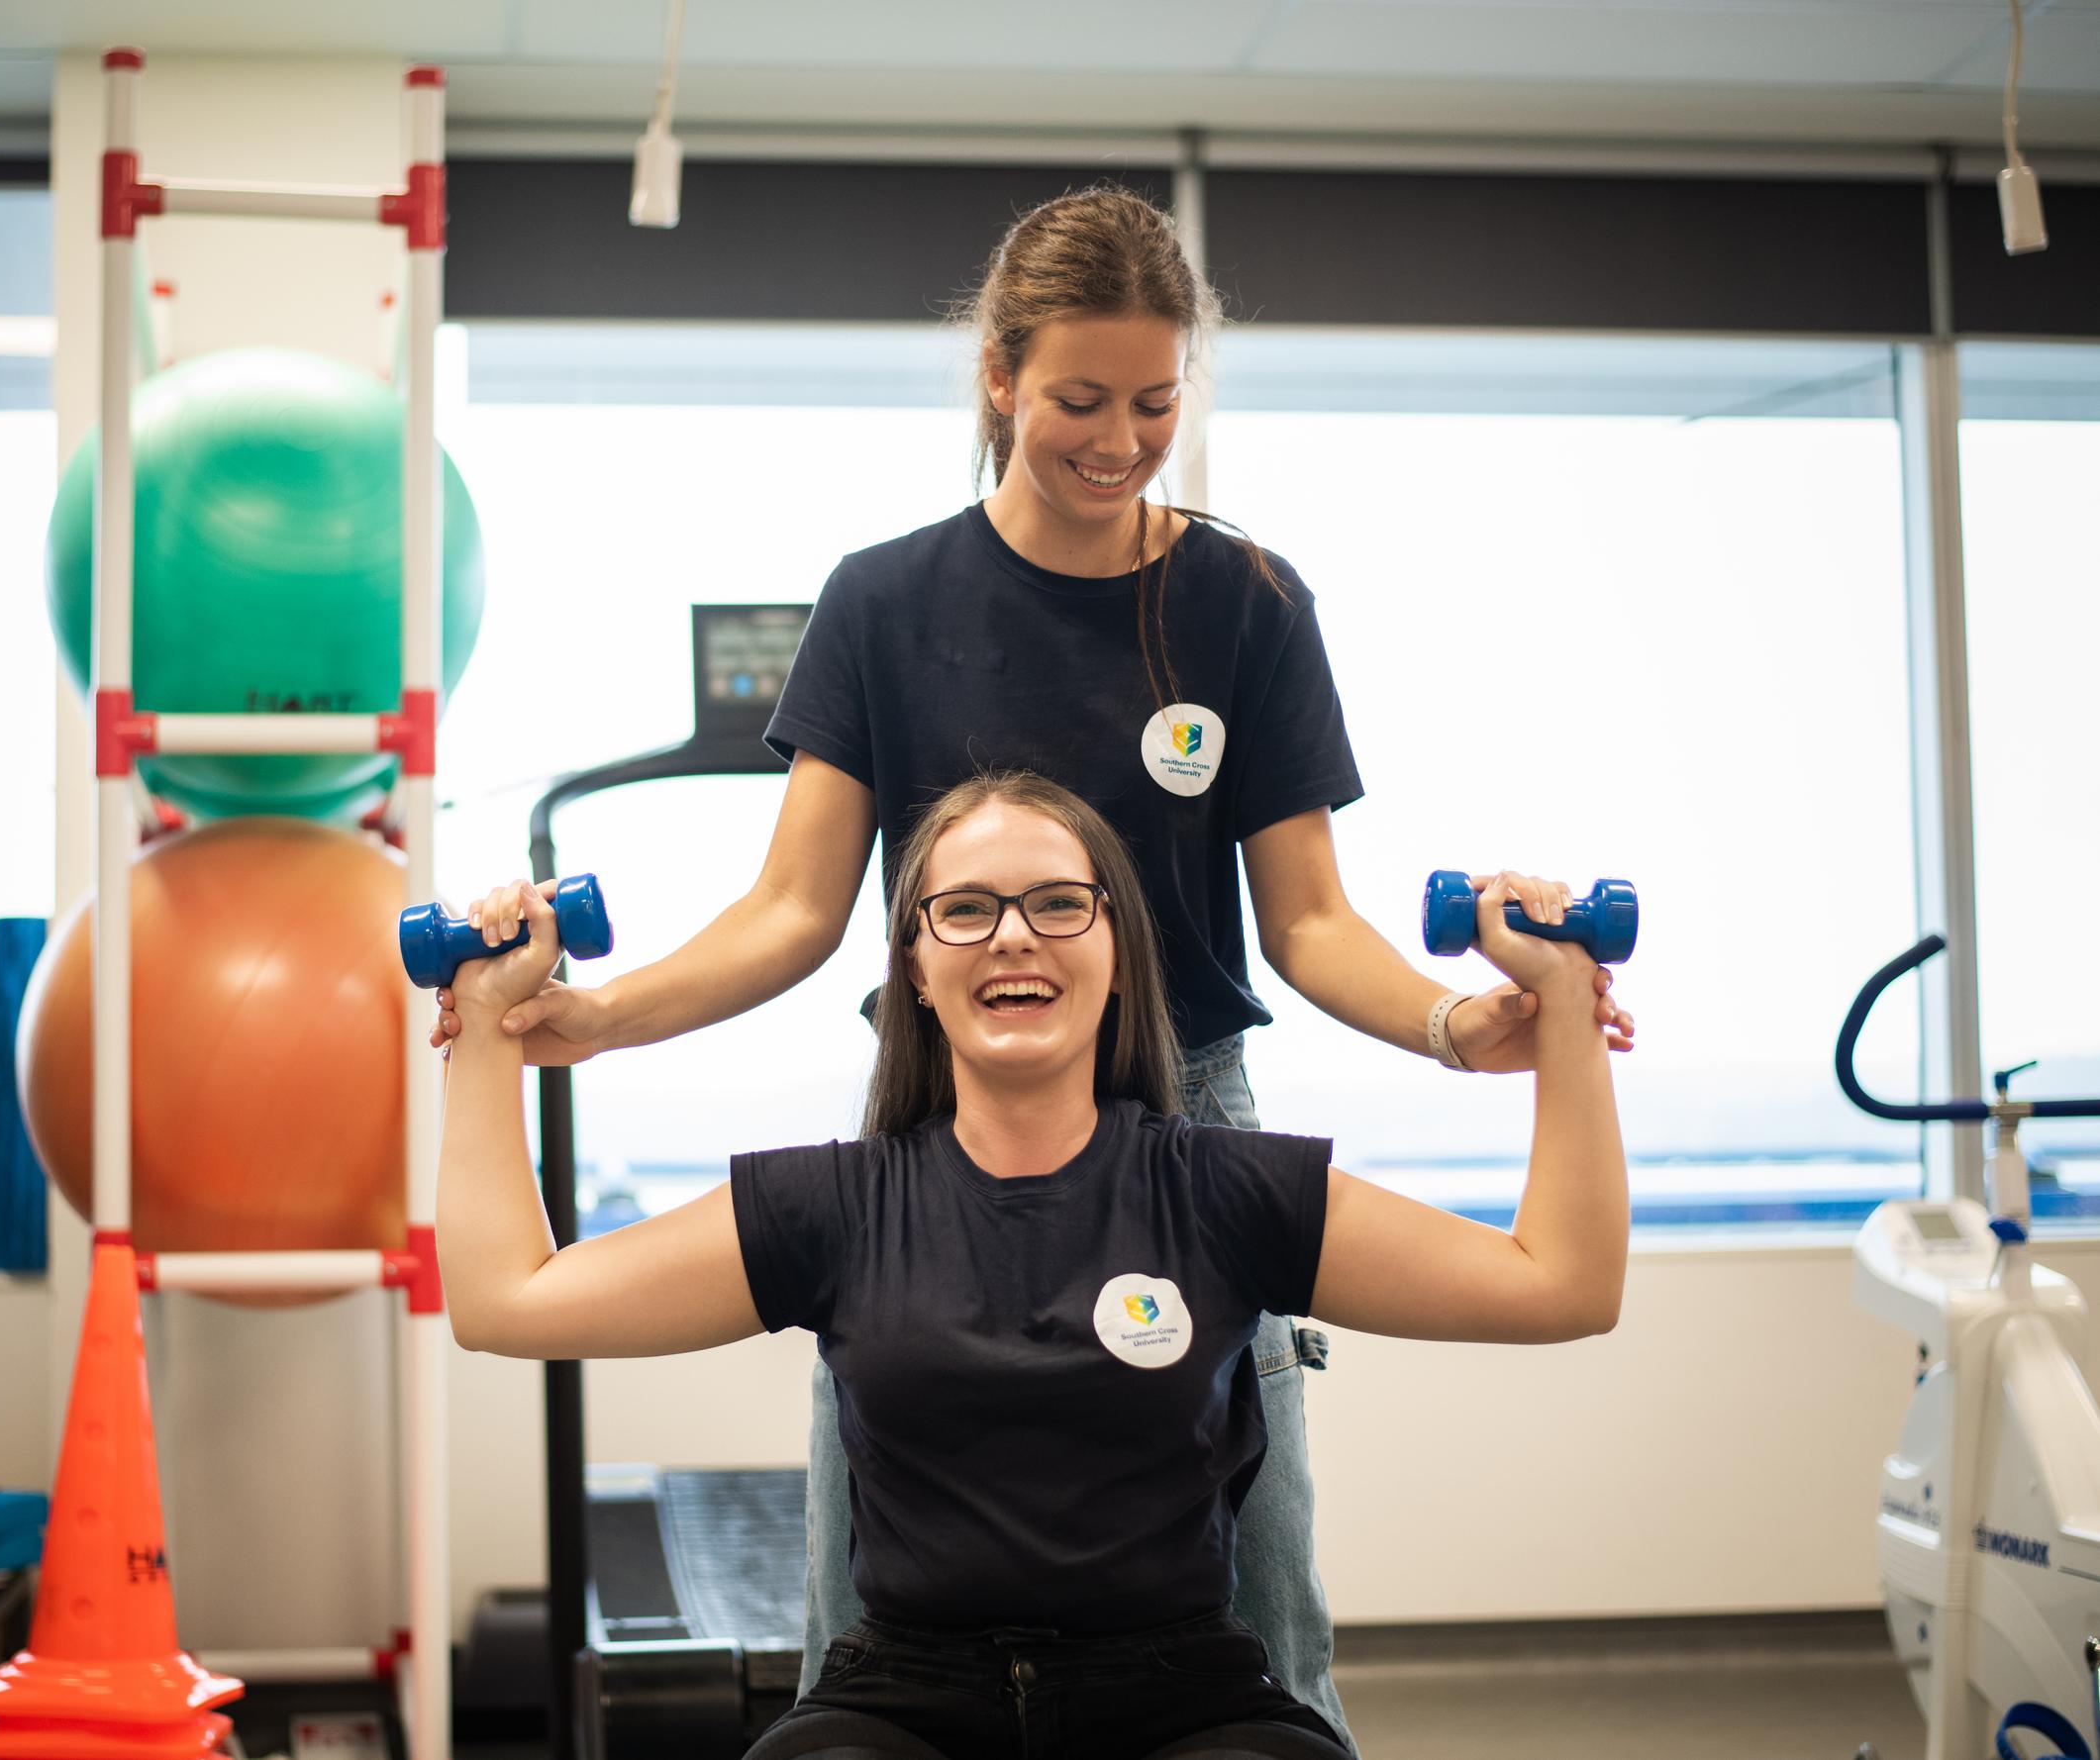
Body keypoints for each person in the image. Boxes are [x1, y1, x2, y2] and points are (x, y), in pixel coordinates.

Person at [431, 186, 1635, 1749]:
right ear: (998, 373)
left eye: (1154, 401)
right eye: (1079, 399)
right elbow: (794, 909)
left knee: (1259, 1609)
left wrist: (1462, 1023)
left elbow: (1311, 924)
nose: (1119, 439)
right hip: (941, 1121)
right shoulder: (884, 600)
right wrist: (586, 1017)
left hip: (1186, 1119)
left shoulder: (1244, 602)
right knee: (862, 1624)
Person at [437, 773, 1627, 1760]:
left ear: (1118, 949)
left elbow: (1560, 1283)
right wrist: (487, 1022)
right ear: (911, 962)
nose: (1013, 932)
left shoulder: (1226, 1189)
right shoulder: (835, 1204)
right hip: (903, 1701)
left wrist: (1564, 1002)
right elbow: (507, 1300)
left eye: (1061, 902)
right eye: (966, 908)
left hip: (1184, 1700)